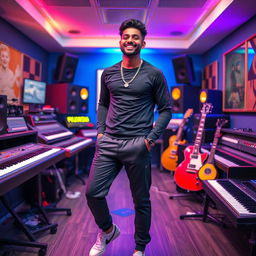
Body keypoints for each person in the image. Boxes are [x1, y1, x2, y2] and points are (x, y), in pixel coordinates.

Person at [86, 19, 172, 256]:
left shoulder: (154, 74)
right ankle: (107, 230)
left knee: (141, 201)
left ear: (143, 42)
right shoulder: (109, 73)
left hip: (138, 143)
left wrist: (150, 139)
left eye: (135, 37)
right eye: (126, 36)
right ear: (120, 41)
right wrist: (100, 132)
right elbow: (103, 104)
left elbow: (166, 110)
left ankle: (139, 249)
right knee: (93, 193)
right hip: (109, 142)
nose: (130, 40)